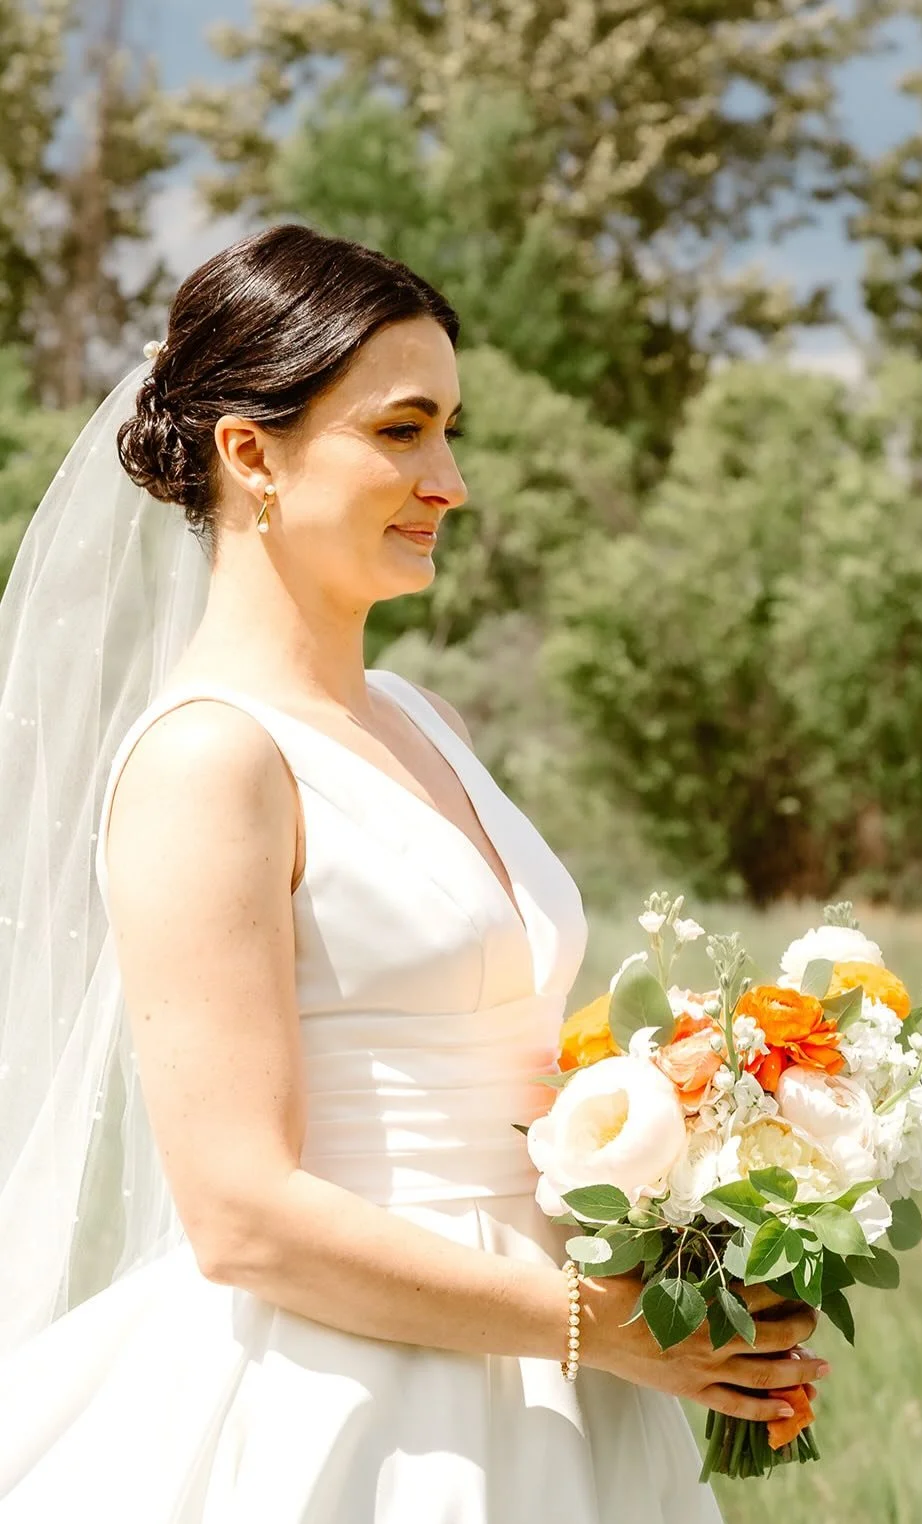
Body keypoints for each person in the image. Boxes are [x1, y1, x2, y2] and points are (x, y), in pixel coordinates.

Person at [0, 224, 825, 1522]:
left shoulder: (421, 716)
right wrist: (588, 1325)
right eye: (401, 429)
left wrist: (706, 1191)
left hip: (568, 1379)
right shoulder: (210, 764)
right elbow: (239, 1215)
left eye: (450, 429)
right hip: (361, 1402)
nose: (449, 477)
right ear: (248, 453)